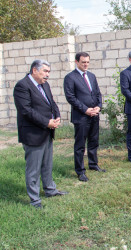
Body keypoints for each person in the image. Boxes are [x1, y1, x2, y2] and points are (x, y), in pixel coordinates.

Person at [13, 59, 68, 209]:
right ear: (34, 70)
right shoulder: (22, 86)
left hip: (47, 132)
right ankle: (34, 200)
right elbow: (26, 110)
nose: (47, 75)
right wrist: (46, 122)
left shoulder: (45, 84)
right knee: (33, 169)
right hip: (33, 133)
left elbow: (51, 103)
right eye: (45, 71)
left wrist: (56, 116)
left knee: (47, 164)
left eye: (49, 72)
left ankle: (50, 190)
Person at [64, 52, 104, 182]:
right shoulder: (70, 77)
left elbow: (98, 93)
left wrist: (98, 106)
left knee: (93, 141)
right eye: (83, 62)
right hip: (81, 117)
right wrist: (86, 110)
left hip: (94, 115)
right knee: (80, 145)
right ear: (76, 62)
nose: (86, 64)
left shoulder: (92, 76)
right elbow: (71, 98)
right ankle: (80, 171)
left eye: (87, 62)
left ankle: (93, 164)